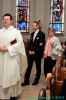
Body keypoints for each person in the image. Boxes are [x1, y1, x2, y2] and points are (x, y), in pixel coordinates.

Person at [0, 13, 27, 100]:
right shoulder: (0, 31)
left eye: (7, 19)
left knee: (12, 76)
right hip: (2, 58)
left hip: (12, 59)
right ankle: (3, 96)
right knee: (2, 76)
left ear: (11, 21)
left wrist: (8, 48)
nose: (5, 21)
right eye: (4, 19)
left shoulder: (16, 32)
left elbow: (19, 43)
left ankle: (12, 95)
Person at [22, 21, 45, 86]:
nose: (33, 26)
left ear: (37, 26)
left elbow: (41, 45)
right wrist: (29, 50)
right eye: (32, 25)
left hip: (37, 54)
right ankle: (26, 81)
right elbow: (30, 44)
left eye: (34, 25)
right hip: (30, 54)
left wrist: (35, 51)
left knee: (38, 67)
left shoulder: (42, 34)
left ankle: (36, 80)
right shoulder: (32, 34)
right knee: (28, 67)